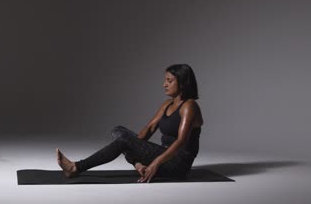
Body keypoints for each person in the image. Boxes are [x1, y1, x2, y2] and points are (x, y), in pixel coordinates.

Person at [56, 64, 204, 183]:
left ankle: (75, 167)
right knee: (119, 131)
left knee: (125, 141)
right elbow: (149, 128)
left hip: (177, 164)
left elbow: (181, 141)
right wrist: (134, 148)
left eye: (169, 81)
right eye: (165, 80)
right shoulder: (167, 104)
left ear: (183, 83)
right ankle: (138, 164)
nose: (164, 84)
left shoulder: (189, 106)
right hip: (162, 154)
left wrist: (154, 163)